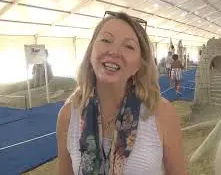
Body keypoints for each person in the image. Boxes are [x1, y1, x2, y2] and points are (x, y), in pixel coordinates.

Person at [56, 12, 186, 175]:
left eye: (129, 46)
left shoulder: (161, 113)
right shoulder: (68, 116)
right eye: (106, 40)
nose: (114, 51)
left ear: (139, 64)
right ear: (91, 52)